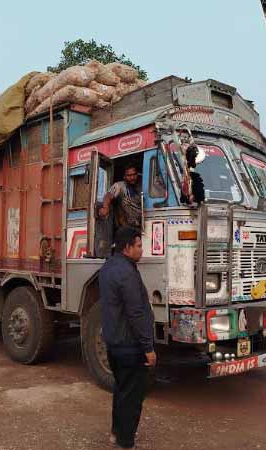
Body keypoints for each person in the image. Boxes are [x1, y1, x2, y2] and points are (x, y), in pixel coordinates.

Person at [99, 227, 156, 449]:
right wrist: (148, 348)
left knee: (121, 390)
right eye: (139, 245)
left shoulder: (108, 267)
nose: (142, 250)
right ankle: (126, 442)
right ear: (127, 248)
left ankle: (116, 434)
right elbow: (135, 313)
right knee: (132, 398)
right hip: (130, 346)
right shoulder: (127, 273)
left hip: (115, 344)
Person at [99, 165, 143, 231]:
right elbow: (108, 195)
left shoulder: (143, 183)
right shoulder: (120, 186)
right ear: (124, 177)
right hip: (131, 226)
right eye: (129, 175)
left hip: (145, 221)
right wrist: (105, 207)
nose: (132, 177)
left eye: (134, 174)